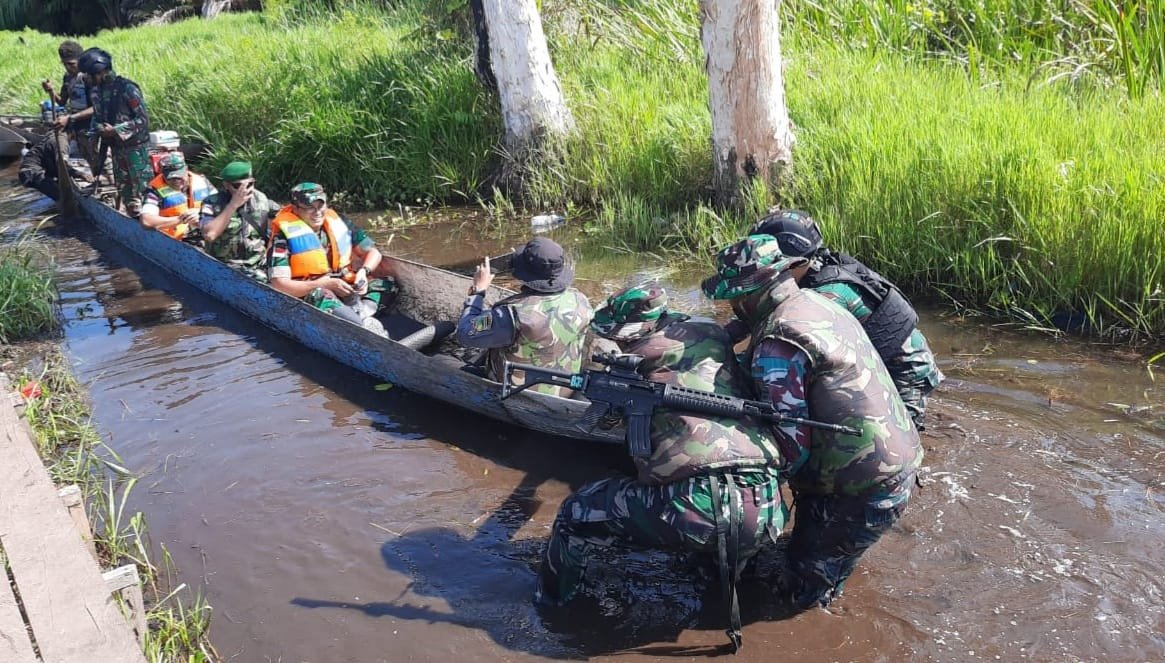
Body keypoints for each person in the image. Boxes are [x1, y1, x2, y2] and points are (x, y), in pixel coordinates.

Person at [538, 283, 786, 649]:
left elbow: (596, 424)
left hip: (701, 508)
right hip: (767, 506)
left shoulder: (636, 362)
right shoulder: (710, 335)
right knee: (711, 541)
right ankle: (720, 591)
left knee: (576, 512)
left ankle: (554, 606)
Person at [702, 234, 923, 611]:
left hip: (864, 487)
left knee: (801, 593)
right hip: (892, 457)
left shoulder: (779, 342)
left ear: (748, 295)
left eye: (733, 298)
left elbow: (790, 448)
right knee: (799, 553)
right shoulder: (817, 302)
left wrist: (737, 491)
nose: (732, 307)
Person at [751, 210, 943, 428]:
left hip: (906, 369)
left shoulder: (827, 295)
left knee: (898, 440)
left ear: (792, 261)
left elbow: (792, 344)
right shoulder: (818, 269)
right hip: (883, 357)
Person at [455, 237, 592, 396]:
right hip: (565, 389)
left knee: (443, 361)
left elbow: (465, 333)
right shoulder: (580, 300)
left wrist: (477, 292)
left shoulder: (510, 314)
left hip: (519, 393)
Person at [267, 182, 396, 334]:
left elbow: (373, 252)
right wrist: (324, 284)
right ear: (295, 209)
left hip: (344, 284)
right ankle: (362, 327)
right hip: (311, 290)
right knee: (320, 294)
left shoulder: (340, 223)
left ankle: (360, 315)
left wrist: (363, 272)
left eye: (320, 206)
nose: (317, 212)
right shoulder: (282, 238)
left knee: (389, 282)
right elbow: (279, 285)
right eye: (309, 207)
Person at [78, 47, 151, 216]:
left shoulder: (127, 88)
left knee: (144, 190)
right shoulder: (96, 92)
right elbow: (97, 117)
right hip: (116, 150)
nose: (86, 79)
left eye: (89, 74)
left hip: (136, 150)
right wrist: (94, 134)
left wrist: (116, 130)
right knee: (126, 191)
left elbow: (142, 119)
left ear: (100, 71)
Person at [199, 161, 281, 282]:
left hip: (258, 262)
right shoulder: (212, 203)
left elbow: (283, 217)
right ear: (226, 185)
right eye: (238, 186)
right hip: (226, 265)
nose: (246, 190)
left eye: (250, 184)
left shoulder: (261, 198)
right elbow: (209, 235)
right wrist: (233, 205)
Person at [41, 40, 97, 168]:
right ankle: (63, 162)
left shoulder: (88, 77)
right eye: (64, 64)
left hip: (91, 123)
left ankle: (111, 181)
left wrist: (70, 118)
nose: (68, 67)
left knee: (98, 156)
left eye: (71, 64)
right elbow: (62, 101)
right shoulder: (67, 77)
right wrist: (51, 91)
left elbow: (96, 108)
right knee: (86, 154)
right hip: (76, 123)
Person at [140, 152, 215, 241]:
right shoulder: (154, 190)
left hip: (203, 235)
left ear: (186, 169)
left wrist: (201, 213)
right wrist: (182, 219)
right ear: (162, 174)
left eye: (179, 176)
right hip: (171, 241)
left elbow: (221, 205)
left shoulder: (202, 181)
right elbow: (147, 221)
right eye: (170, 178)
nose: (176, 181)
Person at [18, 133, 90, 198]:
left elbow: (56, 166)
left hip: (27, 172)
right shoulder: (62, 142)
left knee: (59, 190)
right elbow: (62, 166)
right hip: (33, 172)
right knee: (64, 197)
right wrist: (80, 174)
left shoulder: (55, 136)